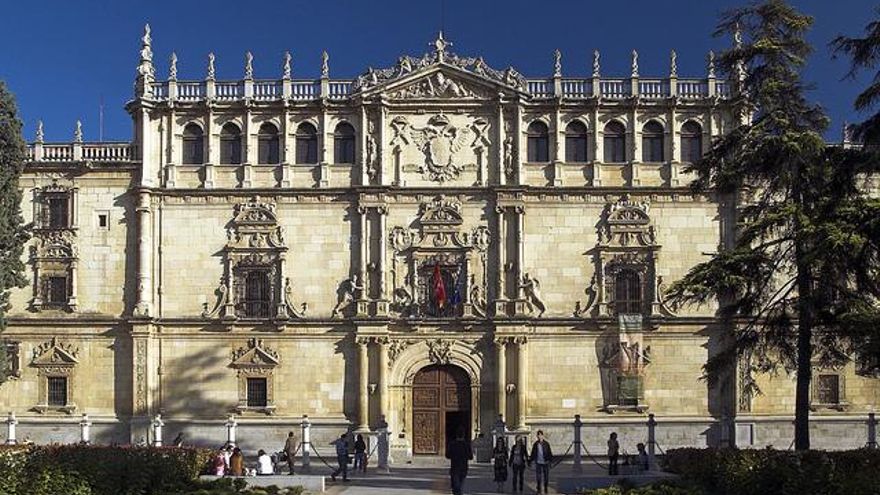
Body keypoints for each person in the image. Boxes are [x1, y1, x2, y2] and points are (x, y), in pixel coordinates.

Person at [445, 429, 473, 495]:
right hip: (463, 468)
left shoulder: (452, 444)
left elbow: (447, 455)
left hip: (454, 467)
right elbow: (470, 457)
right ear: (463, 435)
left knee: (456, 486)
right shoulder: (466, 445)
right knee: (460, 486)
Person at [529, 430, 553, 495]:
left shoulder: (546, 444)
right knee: (538, 476)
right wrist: (530, 461)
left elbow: (549, 452)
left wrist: (550, 461)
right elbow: (533, 453)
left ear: (542, 436)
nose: (539, 436)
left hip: (545, 462)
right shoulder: (535, 444)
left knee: (546, 476)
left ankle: (545, 487)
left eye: (540, 435)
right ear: (537, 436)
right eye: (538, 435)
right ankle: (539, 488)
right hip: (538, 462)